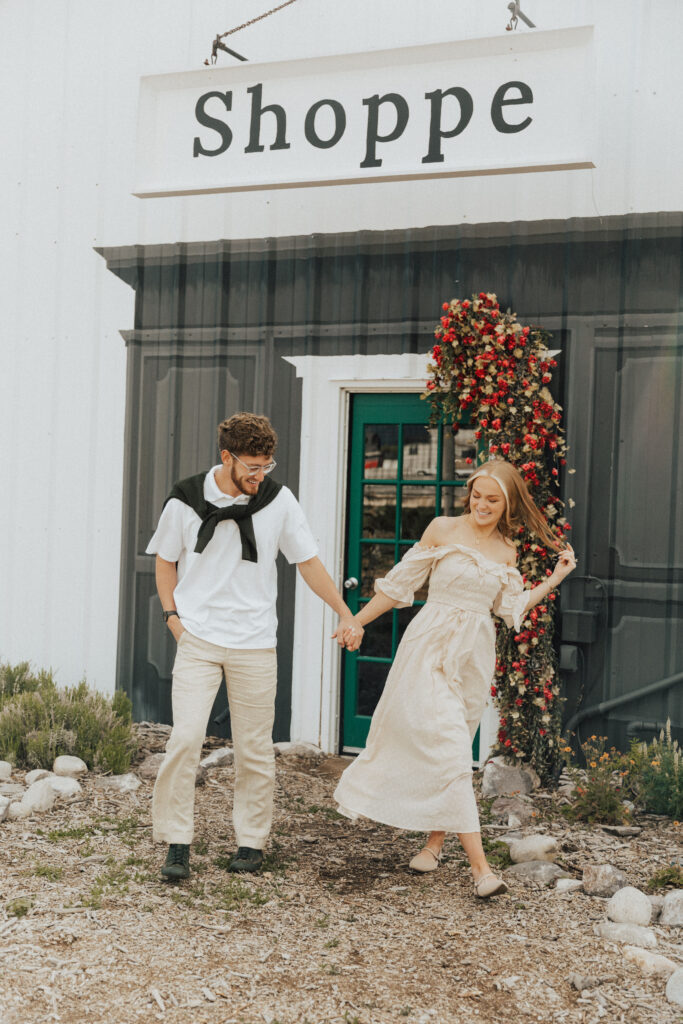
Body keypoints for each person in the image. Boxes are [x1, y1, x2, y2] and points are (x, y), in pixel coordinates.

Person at [333, 459, 576, 898]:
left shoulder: (506, 550)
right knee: (447, 746)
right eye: (477, 495)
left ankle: (435, 842)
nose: (481, 504)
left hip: (473, 655)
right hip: (429, 647)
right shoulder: (442, 529)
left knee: (455, 743)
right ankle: (481, 872)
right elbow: (398, 585)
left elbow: (510, 608)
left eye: (492, 499)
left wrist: (554, 579)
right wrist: (359, 621)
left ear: (507, 504)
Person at [147, 412, 363, 881]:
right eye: (252, 466)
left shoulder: (279, 500)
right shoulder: (185, 498)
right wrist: (173, 620)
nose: (259, 474)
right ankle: (176, 841)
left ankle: (251, 841)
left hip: (255, 642)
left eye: (266, 465)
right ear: (226, 457)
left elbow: (307, 562)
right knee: (184, 739)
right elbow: (165, 561)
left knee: (254, 748)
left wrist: (344, 612)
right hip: (198, 638)